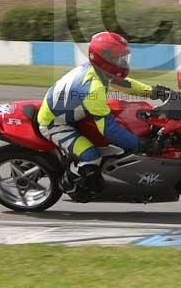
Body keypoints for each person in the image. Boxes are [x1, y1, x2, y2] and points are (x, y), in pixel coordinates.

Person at [36, 31, 170, 198]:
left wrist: (153, 92)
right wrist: (140, 145)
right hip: (55, 124)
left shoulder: (98, 70)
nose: (123, 62)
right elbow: (109, 130)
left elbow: (124, 84)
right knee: (91, 156)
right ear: (104, 59)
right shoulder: (94, 89)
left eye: (123, 58)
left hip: (74, 112)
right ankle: (74, 185)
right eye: (119, 58)